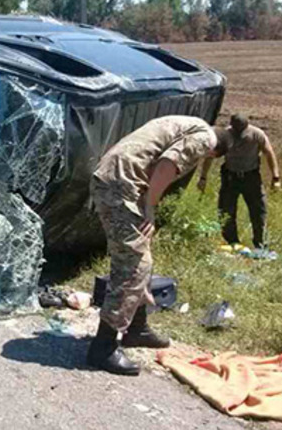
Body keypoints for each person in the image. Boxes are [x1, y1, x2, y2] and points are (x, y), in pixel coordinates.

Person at [87, 115, 228, 376]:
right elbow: (168, 163)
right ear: (215, 152)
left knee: (141, 254)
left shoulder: (188, 122)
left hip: (118, 179)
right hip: (121, 185)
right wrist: (150, 206)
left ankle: (137, 328)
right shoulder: (205, 138)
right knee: (134, 264)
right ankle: (103, 347)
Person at [197, 113, 280, 250]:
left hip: (251, 177)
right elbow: (210, 156)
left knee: (259, 211)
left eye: (241, 130)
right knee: (226, 211)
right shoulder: (224, 135)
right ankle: (232, 243)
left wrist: (276, 177)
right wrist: (203, 178)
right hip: (230, 177)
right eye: (236, 130)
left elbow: (269, 153)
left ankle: (260, 245)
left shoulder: (257, 134)